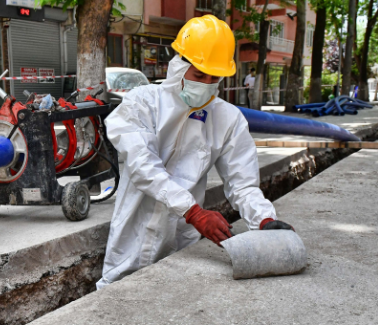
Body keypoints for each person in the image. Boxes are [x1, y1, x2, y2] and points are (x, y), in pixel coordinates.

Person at [96, 15, 293, 289]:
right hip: (134, 230)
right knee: (118, 295)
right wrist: (194, 212)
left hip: (183, 236)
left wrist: (264, 219)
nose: (206, 84)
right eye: (199, 74)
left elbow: (243, 184)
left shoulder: (228, 119)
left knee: (176, 296)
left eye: (214, 78)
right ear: (178, 65)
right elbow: (144, 167)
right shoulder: (142, 103)